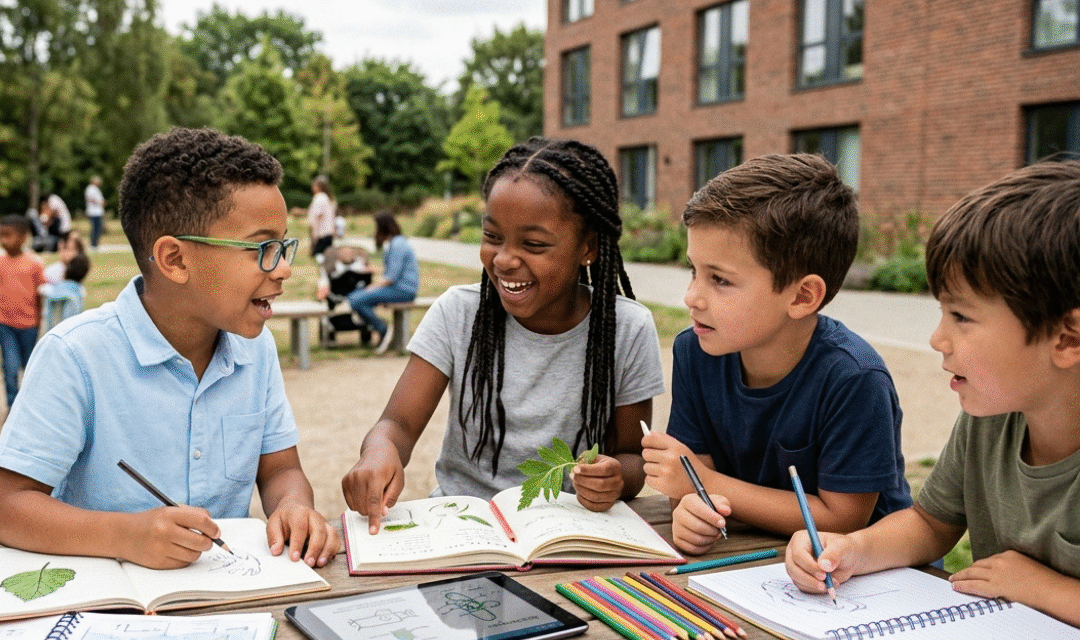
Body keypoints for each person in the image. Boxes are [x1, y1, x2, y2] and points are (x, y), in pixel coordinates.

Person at [0, 127, 339, 570]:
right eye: (262, 247)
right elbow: (9, 504)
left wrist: (293, 506)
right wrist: (125, 535)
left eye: (283, 246)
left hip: (221, 598)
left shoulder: (255, 352)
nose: (284, 269)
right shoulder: (76, 356)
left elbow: (280, 470)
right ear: (175, 260)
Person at [786, 159, 1080, 627]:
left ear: (1067, 339)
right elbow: (929, 524)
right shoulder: (991, 419)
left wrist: (1045, 588)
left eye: (961, 317)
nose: (937, 339)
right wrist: (852, 549)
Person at [341, 137, 666, 533]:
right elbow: (398, 424)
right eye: (492, 236)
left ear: (588, 247)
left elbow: (632, 456)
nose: (505, 259)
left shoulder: (626, 329)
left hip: (567, 534)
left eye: (533, 244)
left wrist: (616, 478)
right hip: (464, 528)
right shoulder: (458, 313)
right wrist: (379, 451)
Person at [642, 154, 911, 555]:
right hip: (751, 558)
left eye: (720, 280)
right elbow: (692, 481)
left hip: (864, 575)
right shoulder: (696, 351)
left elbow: (844, 518)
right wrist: (693, 512)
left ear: (802, 296)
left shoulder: (853, 378)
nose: (692, 297)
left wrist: (706, 484)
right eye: (693, 271)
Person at [346, 210, 419, 354]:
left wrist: (371, 288)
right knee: (355, 297)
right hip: (398, 288)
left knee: (356, 299)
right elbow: (392, 271)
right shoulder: (396, 243)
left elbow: (391, 278)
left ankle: (382, 329)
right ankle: (379, 328)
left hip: (403, 291)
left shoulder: (398, 244)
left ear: (383, 227)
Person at [0, 214, 46, 407]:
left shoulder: (35, 264)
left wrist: (38, 320)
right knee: (10, 367)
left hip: (29, 325)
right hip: (5, 325)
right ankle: (12, 405)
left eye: (7, 235)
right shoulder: (1, 263)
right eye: (0, 235)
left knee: (29, 366)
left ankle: (30, 405)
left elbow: (40, 295)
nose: (3, 240)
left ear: (23, 237)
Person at [39, 252, 90, 331]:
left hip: (50, 329)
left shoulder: (53, 287)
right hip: (69, 330)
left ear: (65, 271)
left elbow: (41, 290)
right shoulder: (80, 290)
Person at [307, 176, 336, 259]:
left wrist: (315, 234)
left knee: (319, 257)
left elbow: (318, 217)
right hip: (328, 233)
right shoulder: (326, 198)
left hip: (321, 234)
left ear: (318, 186)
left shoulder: (319, 198)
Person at [84, 176, 105, 250]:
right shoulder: (90, 189)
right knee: (95, 228)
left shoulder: (96, 189)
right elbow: (91, 198)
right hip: (93, 212)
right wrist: (100, 202)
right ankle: (93, 244)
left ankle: (95, 243)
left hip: (97, 212)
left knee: (98, 228)